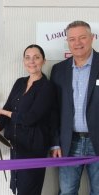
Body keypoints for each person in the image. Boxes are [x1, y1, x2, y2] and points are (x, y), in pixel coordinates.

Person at [0, 44, 55, 195]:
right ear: (23, 61)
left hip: (34, 148)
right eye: (27, 57)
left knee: (29, 190)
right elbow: (8, 106)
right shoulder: (20, 82)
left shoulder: (47, 87)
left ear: (44, 61)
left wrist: (2, 112)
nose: (31, 61)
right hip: (16, 145)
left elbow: (30, 118)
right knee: (19, 187)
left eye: (36, 57)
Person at [50, 20, 99, 195]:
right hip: (69, 143)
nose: (77, 43)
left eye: (82, 38)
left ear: (92, 38)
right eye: (72, 39)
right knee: (67, 191)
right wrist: (55, 143)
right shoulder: (58, 70)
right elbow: (53, 110)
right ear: (68, 42)